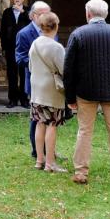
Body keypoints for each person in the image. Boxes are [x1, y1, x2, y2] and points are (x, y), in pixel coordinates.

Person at [64, 0, 110, 186]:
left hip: (85, 91)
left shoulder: (78, 34)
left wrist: (69, 97)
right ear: (106, 14)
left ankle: (81, 172)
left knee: (84, 131)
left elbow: (68, 69)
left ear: (88, 14)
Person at [28, 12, 67, 173]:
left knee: (39, 122)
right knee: (52, 124)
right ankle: (50, 163)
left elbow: (30, 67)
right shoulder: (56, 47)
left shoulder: (35, 43)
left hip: (36, 88)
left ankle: (40, 160)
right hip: (51, 89)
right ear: (56, 26)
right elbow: (64, 69)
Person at [15, 1, 52, 159]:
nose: (48, 17)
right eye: (44, 13)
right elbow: (20, 58)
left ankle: (49, 150)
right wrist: (39, 63)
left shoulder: (51, 30)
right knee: (37, 118)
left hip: (51, 81)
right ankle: (37, 151)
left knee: (50, 117)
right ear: (34, 16)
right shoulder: (24, 33)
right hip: (35, 81)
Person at [0, 0, 31, 108]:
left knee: (24, 74)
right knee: (12, 74)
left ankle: (24, 99)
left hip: (25, 49)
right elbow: (3, 30)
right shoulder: (7, 12)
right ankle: (12, 99)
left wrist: (22, 11)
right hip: (11, 48)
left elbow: (34, 23)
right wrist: (3, 47)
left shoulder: (28, 10)